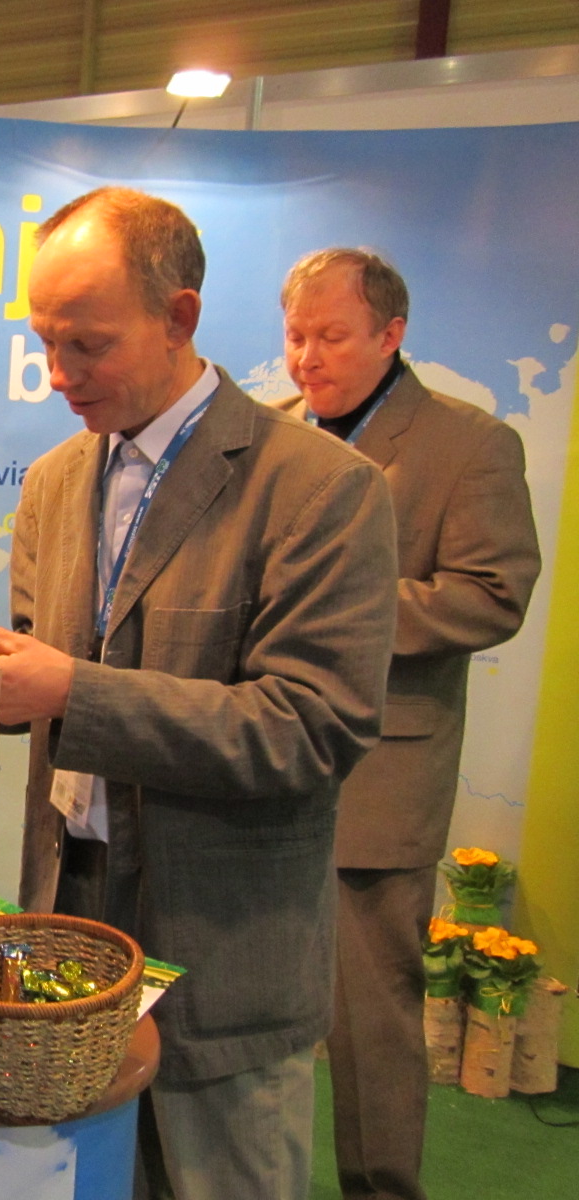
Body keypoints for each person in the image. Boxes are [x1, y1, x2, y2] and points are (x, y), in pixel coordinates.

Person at [0, 187, 398, 1200]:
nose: (58, 375)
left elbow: (310, 727)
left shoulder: (319, 488)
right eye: (44, 343)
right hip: (68, 924)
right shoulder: (52, 483)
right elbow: (43, 673)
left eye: (87, 344)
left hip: (223, 957)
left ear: (179, 318)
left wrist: (71, 690)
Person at [278, 248, 540, 1200]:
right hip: (255, 762)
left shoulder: (469, 443)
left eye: (331, 336)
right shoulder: (265, 434)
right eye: (295, 335)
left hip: (380, 779)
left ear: (392, 334)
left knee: (372, 1021)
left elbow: (491, 595)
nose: (307, 357)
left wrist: (339, 610)